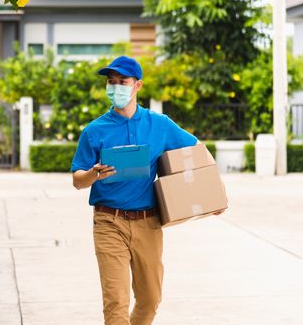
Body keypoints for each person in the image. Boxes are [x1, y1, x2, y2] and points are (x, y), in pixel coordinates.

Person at [71, 56, 225, 325]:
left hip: (148, 222)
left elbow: (197, 151)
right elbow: (77, 180)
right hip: (109, 222)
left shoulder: (160, 124)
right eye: (111, 82)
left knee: (150, 299)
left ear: (137, 85)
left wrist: (214, 192)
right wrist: (93, 174)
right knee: (116, 301)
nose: (115, 87)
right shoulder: (94, 131)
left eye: (122, 81)